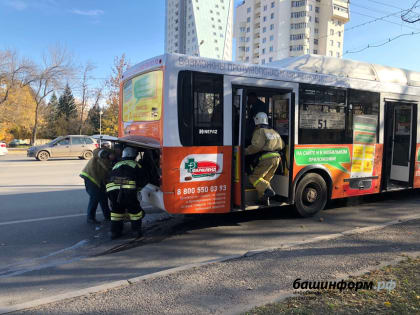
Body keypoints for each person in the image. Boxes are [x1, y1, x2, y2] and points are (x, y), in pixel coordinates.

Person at [106, 146, 149, 239]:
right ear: (133, 155)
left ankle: (114, 233)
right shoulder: (136, 165)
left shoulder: (117, 164)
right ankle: (136, 232)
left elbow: (110, 176)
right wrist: (137, 191)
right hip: (128, 191)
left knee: (116, 212)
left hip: (112, 190)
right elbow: (143, 180)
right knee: (135, 212)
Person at [245, 112, 284, 206]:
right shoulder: (274, 132)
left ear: (256, 121)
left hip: (266, 159)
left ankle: (268, 190)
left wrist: (244, 151)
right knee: (265, 179)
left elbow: (256, 146)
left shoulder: (260, 131)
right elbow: (282, 144)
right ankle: (264, 199)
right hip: (277, 159)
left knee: (254, 178)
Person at [80, 148, 116, 224]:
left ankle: (107, 216)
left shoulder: (117, 158)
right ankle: (90, 218)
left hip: (100, 179)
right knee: (95, 198)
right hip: (91, 176)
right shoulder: (108, 151)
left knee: (103, 197)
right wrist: (107, 155)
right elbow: (96, 151)